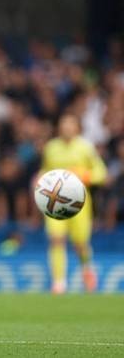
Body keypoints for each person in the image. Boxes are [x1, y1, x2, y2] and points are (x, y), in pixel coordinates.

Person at [40, 113, 107, 294]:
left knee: (80, 243)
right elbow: (45, 171)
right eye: (64, 124)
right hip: (55, 202)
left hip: (79, 202)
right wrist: (39, 180)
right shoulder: (51, 148)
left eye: (70, 124)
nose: (67, 128)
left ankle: (87, 269)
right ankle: (59, 283)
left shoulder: (85, 148)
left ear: (77, 128)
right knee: (56, 240)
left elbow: (101, 173)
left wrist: (85, 175)